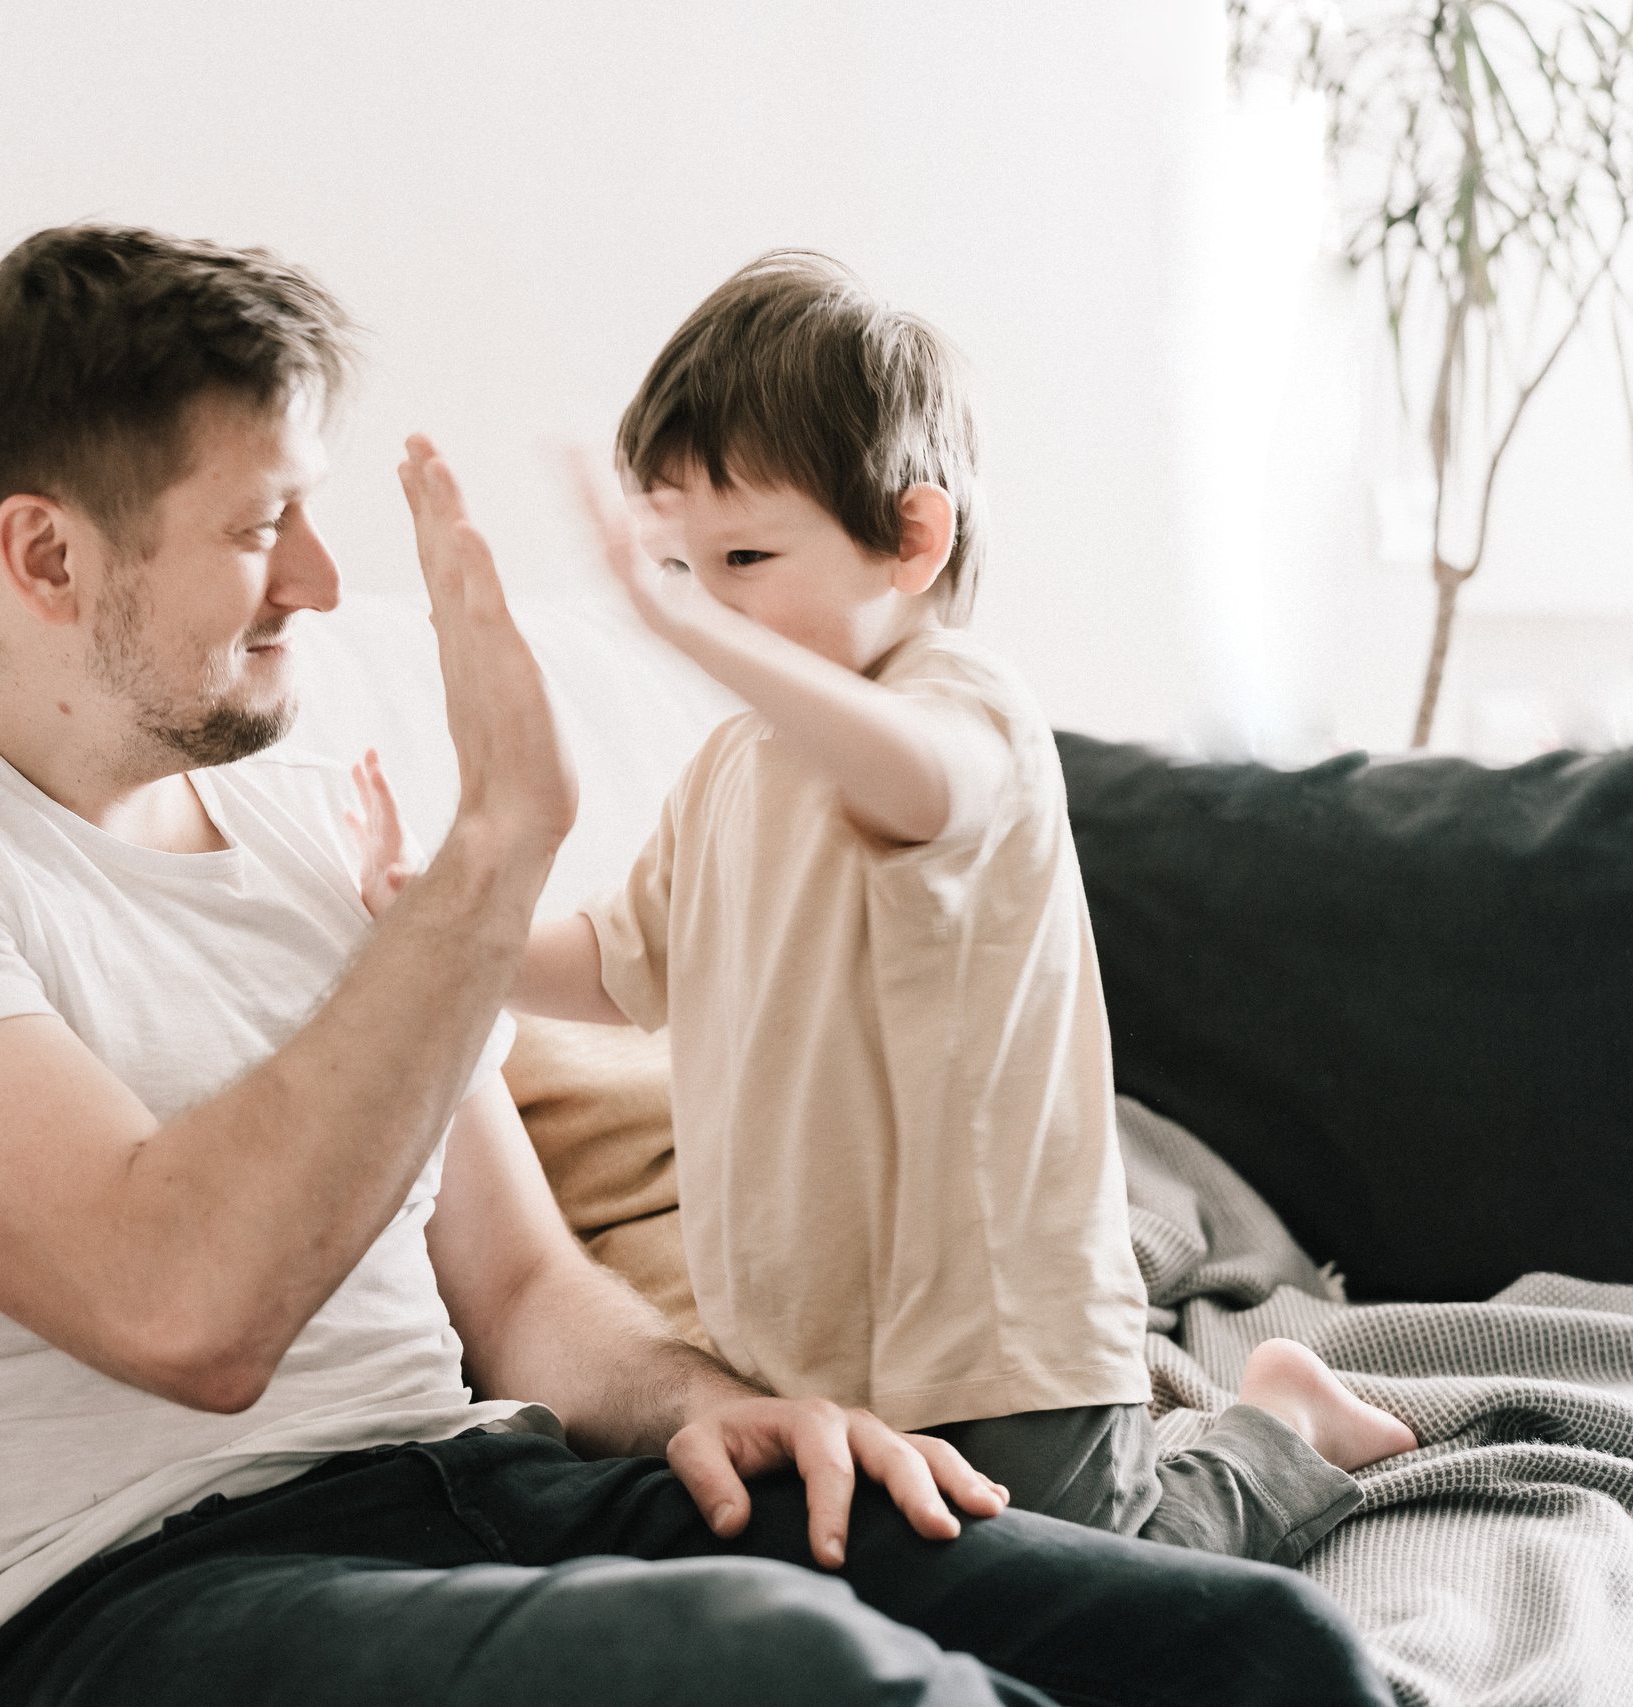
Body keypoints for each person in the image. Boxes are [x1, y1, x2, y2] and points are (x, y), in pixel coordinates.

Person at [0, 224, 1391, 1707]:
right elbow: (185, 1314)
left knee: (1257, 1657)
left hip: (478, 1492)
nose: (327, 584)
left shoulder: (291, 835)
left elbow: (521, 1294)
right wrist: (492, 861)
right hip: (118, 1606)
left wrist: (711, 1406)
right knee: (794, 1679)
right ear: (47, 555)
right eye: (264, 526)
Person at [509, 249, 1418, 1558]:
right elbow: (621, 963)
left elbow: (922, 788)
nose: (707, 604)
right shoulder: (728, 770)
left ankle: (1279, 1423)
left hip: (1001, 1335)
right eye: (685, 568)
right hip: (810, 1349)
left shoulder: (959, 705)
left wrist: (685, 633)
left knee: (1110, 1564)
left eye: (745, 557)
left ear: (911, 539)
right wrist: (450, 934)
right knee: (906, 1575)